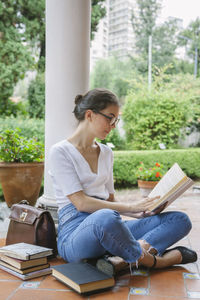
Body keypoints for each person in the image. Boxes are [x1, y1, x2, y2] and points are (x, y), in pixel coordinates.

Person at [49, 88, 197, 274]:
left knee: (179, 219)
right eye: (110, 118)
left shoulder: (106, 153)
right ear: (90, 115)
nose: (113, 125)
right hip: (75, 235)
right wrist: (132, 207)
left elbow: (110, 201)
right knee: (106, 217)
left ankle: (120, 260)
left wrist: (142, 213)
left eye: (116, 120)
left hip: (111, 227)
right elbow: (80, 203)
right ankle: (155, 262)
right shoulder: (60, 151)